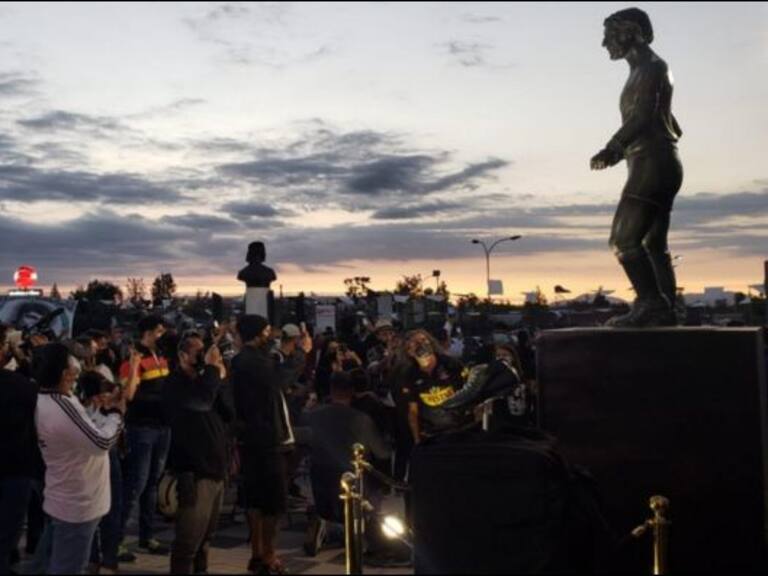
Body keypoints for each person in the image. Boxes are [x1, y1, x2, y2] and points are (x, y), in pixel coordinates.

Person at [591, 7, 683, 327]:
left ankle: (651, 304)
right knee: (652, 244)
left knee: (624, 240)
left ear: (630, 31)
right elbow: (669, 123)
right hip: (660, 163)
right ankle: (667, 310)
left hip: (652, 166)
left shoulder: (651, 68)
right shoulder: (648, 70)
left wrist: (614, 147)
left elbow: (643, 115)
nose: (605, 43)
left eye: (609, 34)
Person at [34, 343, 125, 575]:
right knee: (68, 567)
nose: (78, 367)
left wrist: (100, 412)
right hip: (77, 503)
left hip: (65, 496)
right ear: (63, 372)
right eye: (73, 361)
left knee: (53, 560)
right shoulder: (61, 406)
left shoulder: (52, 398)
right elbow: (102, 443)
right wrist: (116, 414)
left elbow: (82, 432)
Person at [164, 331, 232, 574]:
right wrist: (212, 371)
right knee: (188, 541)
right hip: (193, 472)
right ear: (183, 356)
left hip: (215, 469)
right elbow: (199, 403)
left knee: (206, 539)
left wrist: (220, 377)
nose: (204, 356)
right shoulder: (174, 384)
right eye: (198, 352)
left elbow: (229, 412)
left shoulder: (205, 382)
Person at [232, 315, 295, 575]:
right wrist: (298, 354)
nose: (271, 335)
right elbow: (283, 379)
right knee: (272, 500)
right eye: (268, 331)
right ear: (258, 334)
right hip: (266, 439)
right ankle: (267, 555)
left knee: (255, 499)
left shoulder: (245, 360)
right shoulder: (255, 361)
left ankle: (258, 554)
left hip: (252, 437)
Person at [304, 372, 391, 557]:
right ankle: (368, 530)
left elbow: (301, 438)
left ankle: (323, 523)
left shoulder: (313, 416)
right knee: (374, 489)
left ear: (331, 390)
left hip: (320, 476)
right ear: (352, 392)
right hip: (352, 479)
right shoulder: (361, 420)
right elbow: (381, 452)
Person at [118, 316, 172, 559]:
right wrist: (134, 366)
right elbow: (129, 394)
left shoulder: (161, 355)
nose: (163, 335)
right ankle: (116, 541)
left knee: (152, 484)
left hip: (162, 426)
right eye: (159, 331)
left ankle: (146, 537)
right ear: (147, 333)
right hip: (142, 428)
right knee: (135, 485)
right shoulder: (133, 358)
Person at [0, 324, 43, 575]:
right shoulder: (18, 385)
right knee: (8, 531)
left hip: (16, 468)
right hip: (16, 468)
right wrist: (26, 360)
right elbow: (41, 395)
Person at [401, 330, 469, 444]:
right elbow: (413, 412)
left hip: (460, 428)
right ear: (409, 352)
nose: (421, 345)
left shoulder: (451, 364)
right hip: (434, 434)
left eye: (424, 340)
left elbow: (470, 391)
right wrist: (417, 441)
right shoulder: (410, 375)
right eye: (415, 343)